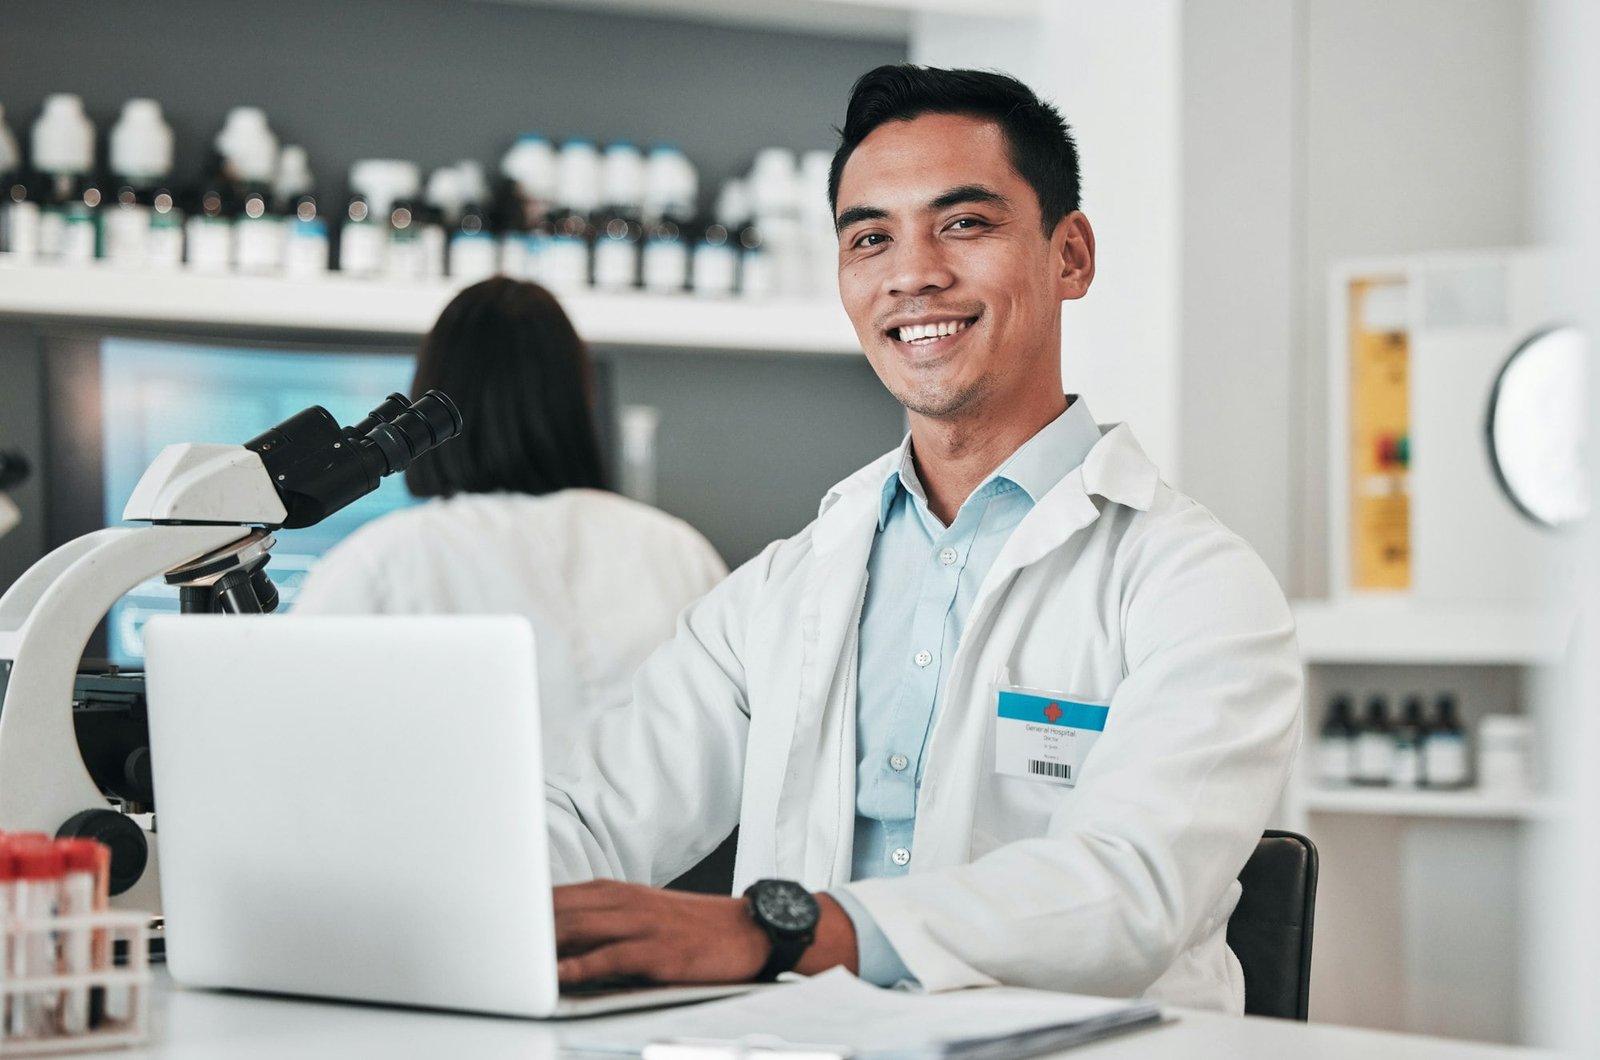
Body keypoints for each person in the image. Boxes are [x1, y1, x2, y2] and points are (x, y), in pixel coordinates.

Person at [544, 65, 1302, 1012]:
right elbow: (591, 813)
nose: (912, 274)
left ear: (1070, 256)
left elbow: (1128, 889)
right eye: (871, 238)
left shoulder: (1193, 585)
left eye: (965, 223)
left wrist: (780, 932)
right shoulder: (787, 587)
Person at [294, 277, 728, 766]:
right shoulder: (679, 552)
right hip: (655, 844)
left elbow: (292, 742)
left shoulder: (378, 563)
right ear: (575, 400)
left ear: (425, 404)